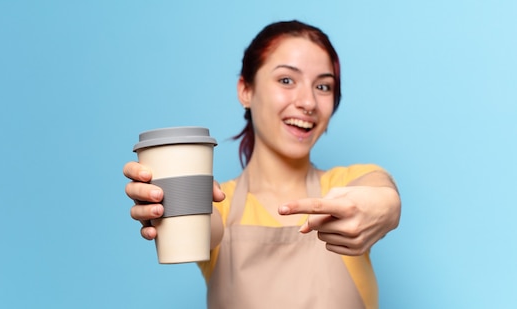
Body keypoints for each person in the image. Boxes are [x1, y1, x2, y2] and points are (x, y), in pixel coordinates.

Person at [123, 20, 401, 309]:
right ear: (246, 90)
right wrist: (164, 201)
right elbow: (199, 225)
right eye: (286, 80)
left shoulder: (346, 185)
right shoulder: (220, 203)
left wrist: (384, 208)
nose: (308, 102)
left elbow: (382, 195)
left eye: (323, 86)